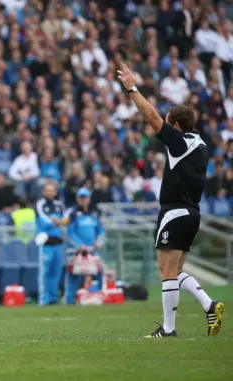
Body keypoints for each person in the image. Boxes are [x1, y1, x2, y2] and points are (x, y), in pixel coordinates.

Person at [117, 63, 225, 338]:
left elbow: (151, 117)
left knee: (166, 272)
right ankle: (209, 304)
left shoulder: (180, 143)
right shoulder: (202, 145)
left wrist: (132, 88)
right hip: (192, 213)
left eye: (169, 124)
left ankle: (168, 329)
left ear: (176, 126)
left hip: (175, 211)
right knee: (176, 270)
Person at [64, 188, 105, 304]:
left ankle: (98, 297)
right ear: (77, 199)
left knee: (98, 272)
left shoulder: (95, 212)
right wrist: (80, 245)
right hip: (77, 251)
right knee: (74, 274)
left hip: (93, 250)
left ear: (89, 198)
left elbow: (100, 230)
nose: (83, 200)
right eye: (81, 198)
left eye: (85, 197)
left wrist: (99, 241)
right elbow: (70, 232)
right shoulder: (72, 213)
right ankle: (70, 300)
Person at [35, 182, 66, 306]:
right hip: (46, 243)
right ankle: (43, 299)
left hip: (58, 242)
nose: (49, 193)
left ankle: (54, 298)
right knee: (45, 272)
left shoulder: (59, 205)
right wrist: (56, 222)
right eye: (47, 190)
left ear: (55, 192)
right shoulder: (40, 204)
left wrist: (58, 221)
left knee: (56, 271)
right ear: (43, 192)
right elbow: (44, 222)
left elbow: (65, 220)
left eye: (52, 190)